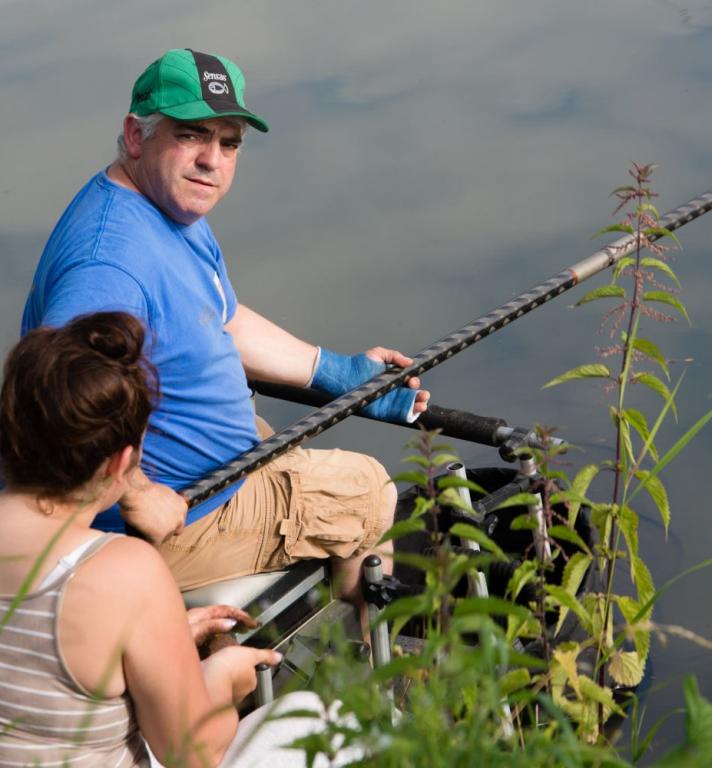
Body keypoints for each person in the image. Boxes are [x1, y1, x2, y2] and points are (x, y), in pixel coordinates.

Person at [21, 48, 429, 602]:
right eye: (191, 135)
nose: (211, 160)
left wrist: (338, 373)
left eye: (229, 143)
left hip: (207, 469)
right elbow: (59, 397)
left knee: (274, 439)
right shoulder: (108, 264)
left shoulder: (168, 209)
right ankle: (359, 645)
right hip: (167, 519)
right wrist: (136, 493)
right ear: (136, 136)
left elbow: (222, 319)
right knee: (368, 490)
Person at [0, 311, 363, 768]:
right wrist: (223, 677)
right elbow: (192, 753)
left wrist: (166, 638)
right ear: (121, 463)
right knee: (323, 718)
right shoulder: (120, 572)